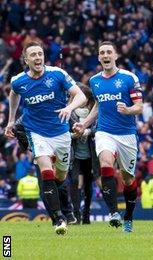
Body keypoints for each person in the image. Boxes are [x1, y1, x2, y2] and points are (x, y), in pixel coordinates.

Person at [5, 41, 87, 235]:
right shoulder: (19, 81)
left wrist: (69, 108)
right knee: (46, 172)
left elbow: (81, 96)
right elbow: (13, 94)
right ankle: (59, 219)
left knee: (60, 177)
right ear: (26, 60)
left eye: (40, 54)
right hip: (37, 133)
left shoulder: (57, 74)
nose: (38, 58)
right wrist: (10, 121)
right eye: (33, 55)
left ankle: (67, 210)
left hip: (61, 134)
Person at [73, 41, 142, 232]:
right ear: (98, 57)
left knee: (128, 179)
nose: (105, 55)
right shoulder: (94, 81)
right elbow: (98, 106)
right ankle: (113, 213)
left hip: (127, 134)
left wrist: (128, 110)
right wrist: (84, 123)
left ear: (115, 55)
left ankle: (128, 215)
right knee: (105, 163)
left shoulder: (129, 78)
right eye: (102, 52)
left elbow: (139, 106)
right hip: (104, 131)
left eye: (109, 52)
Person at [69, 84, 100, 224]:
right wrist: (73, 135)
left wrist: (88, 132)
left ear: (87, 100)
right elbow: (63, 130)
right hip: (74, 155)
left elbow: (99, 128)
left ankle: (86, 213)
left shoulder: (95, 113)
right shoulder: (69, 113)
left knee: (88, 185)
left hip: (91, 155)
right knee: (74, 181)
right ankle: (76, 214)